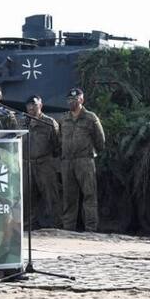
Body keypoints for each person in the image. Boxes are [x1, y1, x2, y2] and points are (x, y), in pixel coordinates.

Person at [60, 87, 105, 231]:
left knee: (89, 195)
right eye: (69, 99)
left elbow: (100, 140)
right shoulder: (64, 119)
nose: (72, 102)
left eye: (75, 99)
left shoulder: (90, 118)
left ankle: (90, 228)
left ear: (82, 100)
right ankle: (68, 228)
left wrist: (90, 153)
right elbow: (59, 139)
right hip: (67, 162)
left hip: (84, 160)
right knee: (69, 196)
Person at [21, 95, 61, 229]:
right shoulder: (22, 122)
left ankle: (55, 224)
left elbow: (57, 144)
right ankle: (29, 224)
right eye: (29, 105)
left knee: (51, 195)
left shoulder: (49, 123)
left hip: (45, 164)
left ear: (40, 105)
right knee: (27, 195)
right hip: (27, 164)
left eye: (34, 104)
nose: (31, 107)